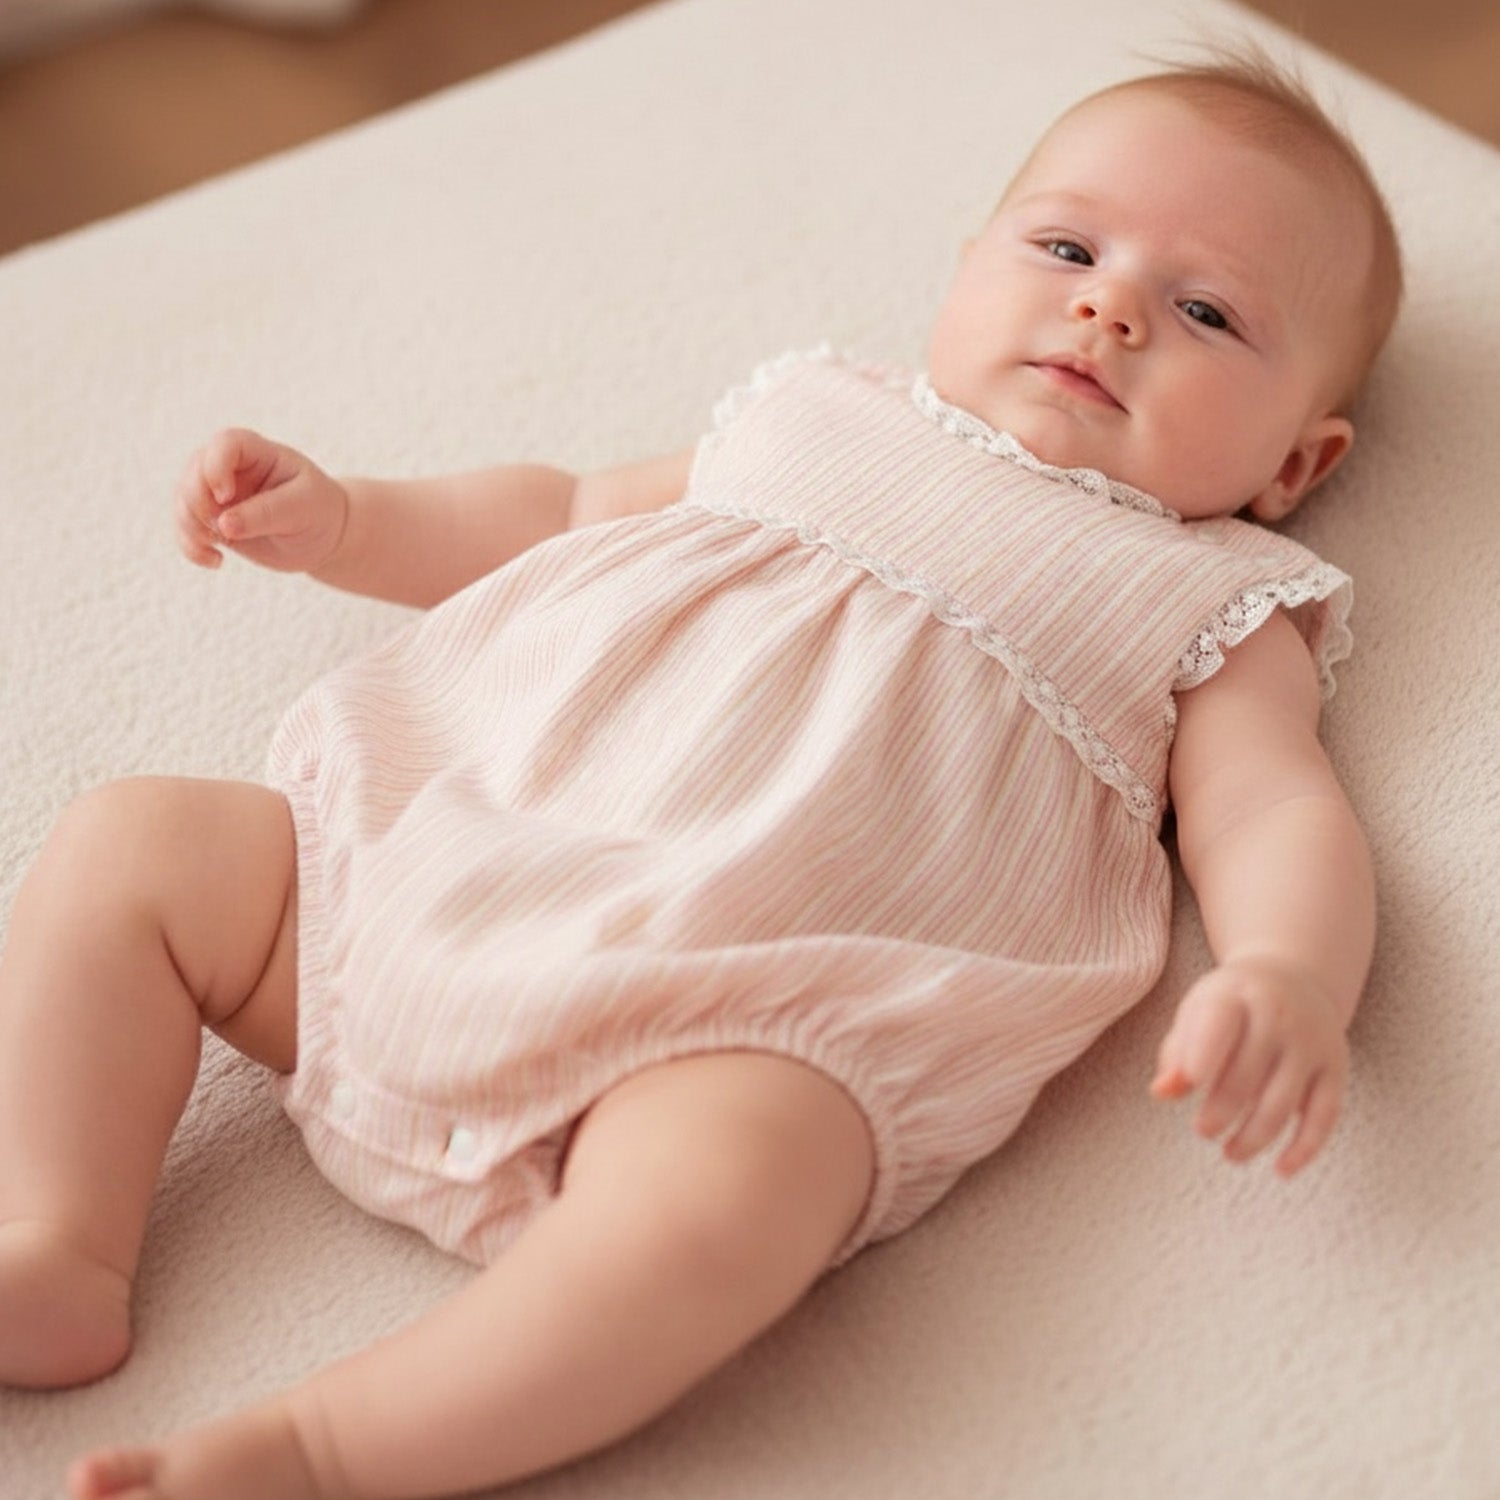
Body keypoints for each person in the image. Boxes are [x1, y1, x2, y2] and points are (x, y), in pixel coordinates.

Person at [0, 45, 1400, 1500]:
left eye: (1206, 311)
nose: (1108, 307)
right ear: (963, 269)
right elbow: (563, 508)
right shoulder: (815, 411)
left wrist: (1292, 974)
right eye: (1064, 246)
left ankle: (325, 1447)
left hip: (734, 1022)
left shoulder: (1211, 596)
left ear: (1298, 463)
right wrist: (350, 522)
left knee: (739, 1197)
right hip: (437, 868)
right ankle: (56, 1240)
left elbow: (1269, 806)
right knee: (140, 843)